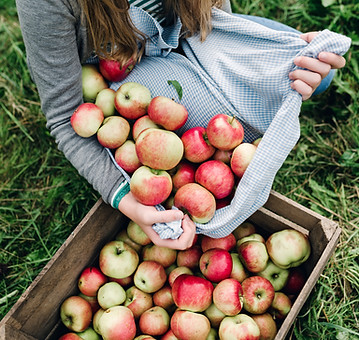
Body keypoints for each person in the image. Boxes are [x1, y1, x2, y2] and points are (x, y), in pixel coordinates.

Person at [16, 0, 347, 250]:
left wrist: (265, 51)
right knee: (214, 142)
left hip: (186, 34)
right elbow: (63, 117)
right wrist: (128, 203)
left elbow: (210, 14)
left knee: (317, 73)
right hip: (126, 73)